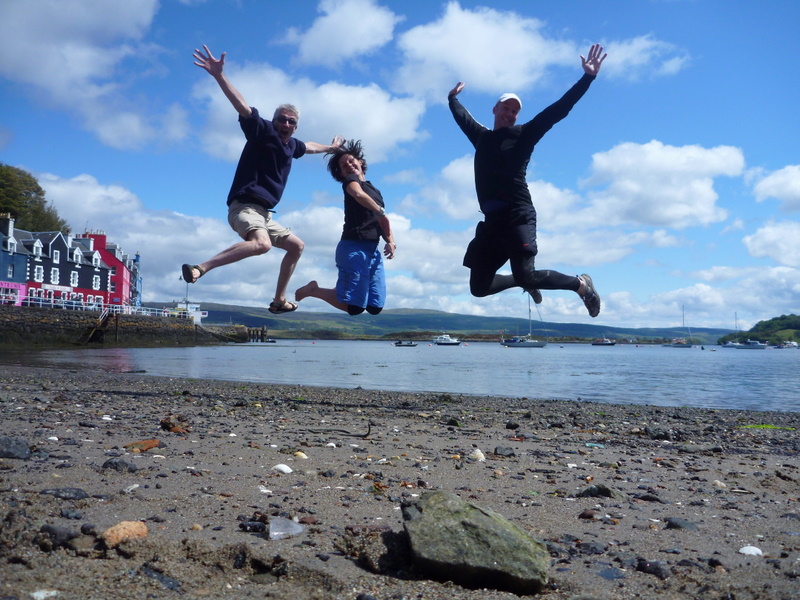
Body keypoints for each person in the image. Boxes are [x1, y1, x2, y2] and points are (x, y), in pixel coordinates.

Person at [181, 45, 343, 314]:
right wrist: (220, 76)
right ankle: (200, 268)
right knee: (262, 244)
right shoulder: (262, 131)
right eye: (282, 119)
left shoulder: (292, 145)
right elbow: (242, 106)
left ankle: (279, 300)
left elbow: (310, 146)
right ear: (274, 119)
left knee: (297, 246)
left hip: (265, 214)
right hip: (243, 207)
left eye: (291, 122)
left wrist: (330, 148)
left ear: (295, 126)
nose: (286, 124)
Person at [447, 44, 607, 318]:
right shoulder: (482, 137)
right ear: (495, 108)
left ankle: (581, 286)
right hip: (492, 223)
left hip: (518, 215)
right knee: (478, 287)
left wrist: (587, 78)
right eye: (506, 108)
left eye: (515, 111)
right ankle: (526, 283)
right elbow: (462, 118)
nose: (510, 114)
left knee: (527, 274)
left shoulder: (524, 134)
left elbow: (559, 110)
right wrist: (452, 99)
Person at [295, 140, 396, 315]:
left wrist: (391, 242)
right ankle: (313, 290)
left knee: (375, 307)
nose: (349, 165)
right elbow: (358, 195)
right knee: (355, 308)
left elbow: (382, 220)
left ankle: (333, 289)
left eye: (351, 161)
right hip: (353, 247)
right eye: (343, 165)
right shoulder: (351, 182)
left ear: (360, 162)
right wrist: (380, 210)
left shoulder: (375, 191)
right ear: (341, 173)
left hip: (373, 250)